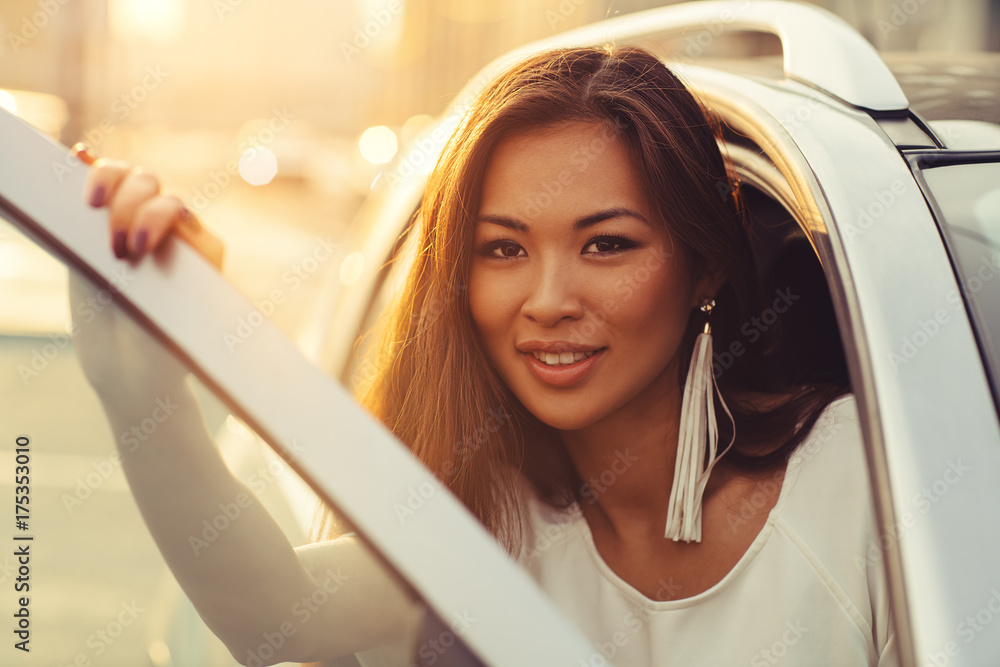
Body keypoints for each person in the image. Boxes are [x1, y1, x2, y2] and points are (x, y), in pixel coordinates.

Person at [74, 45, 896, 665]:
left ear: (704, 265)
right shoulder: (485, 515)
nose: (547, 299)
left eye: (606, 244)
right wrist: (140, 381)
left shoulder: (871, 479)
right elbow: (270, 607)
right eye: (502, 250)